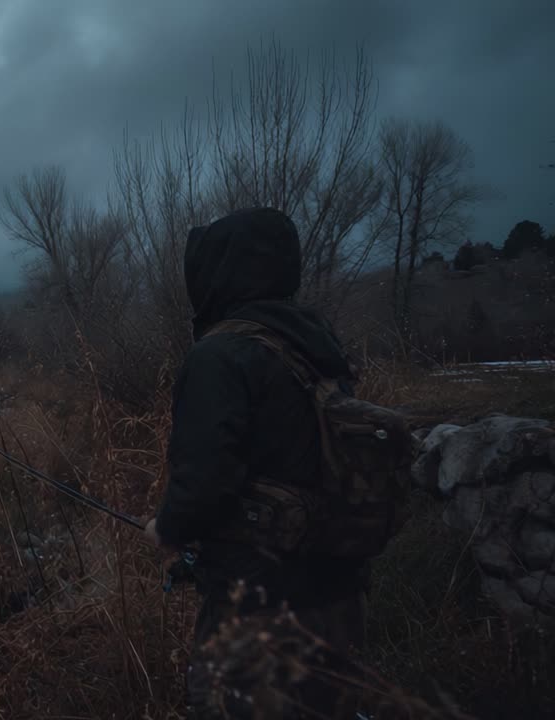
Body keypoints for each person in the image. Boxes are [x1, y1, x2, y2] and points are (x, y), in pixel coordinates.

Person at [142, 207, 368, 718]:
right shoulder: (315, 343)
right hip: (338, 601)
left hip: (258, 613)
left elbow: (204, 484)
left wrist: (165, 529)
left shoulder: (220, 355)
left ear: (219, 273)